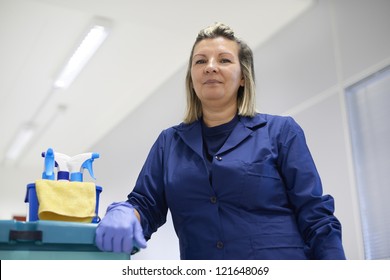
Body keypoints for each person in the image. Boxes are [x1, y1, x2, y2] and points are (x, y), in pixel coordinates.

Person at [95, 22, 346, 260]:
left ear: (243, 77)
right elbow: (146, 205)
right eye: (200, 61)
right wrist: (126, 212)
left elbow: (315, 216)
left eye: (224, 60)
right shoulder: (169, 143)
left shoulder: (281, 132)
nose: (210, 67)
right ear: (192, 79)